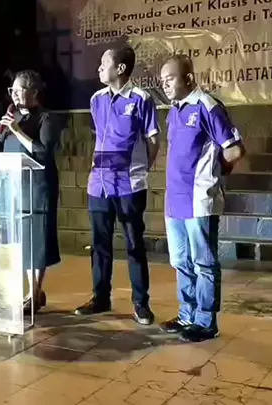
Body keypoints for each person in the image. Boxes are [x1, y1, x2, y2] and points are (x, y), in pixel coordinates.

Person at [158, 54, 245, 342]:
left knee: (203, 263)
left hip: (198, 200)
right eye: (162, 80)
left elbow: (234, 150)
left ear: (188, 78)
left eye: (170, 79)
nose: (165, 85)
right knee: (181, 261)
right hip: (174, 201)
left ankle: (206, 323)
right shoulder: (174, 110)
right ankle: (187, 315)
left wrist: (214, 176)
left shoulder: (207, 106)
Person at [74, 46, 160, 325]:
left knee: (134, 243)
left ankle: (141, 303)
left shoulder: (141, 99)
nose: (99, 68)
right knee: (100, 243)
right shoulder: (96, 99)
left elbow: (153, 140)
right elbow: (100, 136)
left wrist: (141, 169)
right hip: (98, 184)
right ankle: (100, 297)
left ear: (120, 68)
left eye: (104, 63)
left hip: (129, 185)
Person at [0, 70, 61, 313]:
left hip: (37, 186)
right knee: (23, 240)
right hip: (13, 187)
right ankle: (33, 292)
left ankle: (35, 292)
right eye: (12, 90)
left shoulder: (47, 118)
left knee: (37, 239)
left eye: (19, 90)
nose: (14, 95)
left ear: (34, 91)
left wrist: (17, 130)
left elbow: (42, 152)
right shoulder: (12, 116)